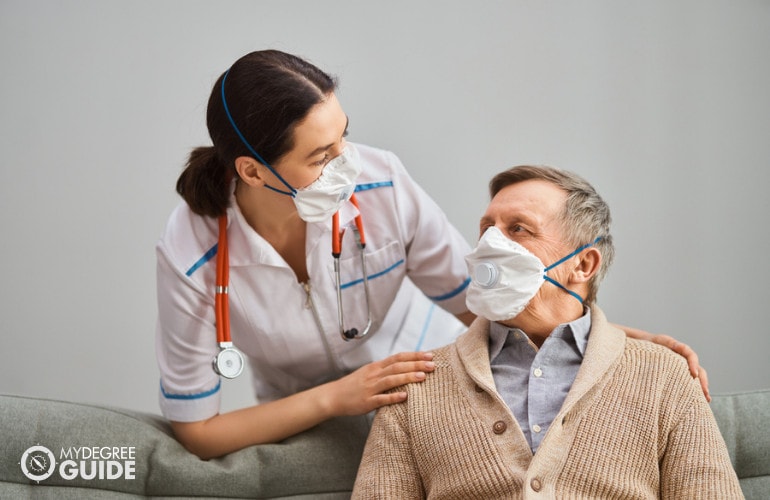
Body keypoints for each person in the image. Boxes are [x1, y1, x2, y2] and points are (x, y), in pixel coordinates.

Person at [156, 50, 706, 460]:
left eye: (344, 138)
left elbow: (487, 302)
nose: (349, 165)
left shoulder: (382, 184)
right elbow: (198, 431)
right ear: (251, 171)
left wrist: (618, 340)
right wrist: (334, 400)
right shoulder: (190, 254)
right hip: (305, 417)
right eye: (322, 156)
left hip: (438, 385)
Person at [352, 165, 741, 499]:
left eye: (518, 229)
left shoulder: (665, 378)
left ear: (584, 265)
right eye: (487, 228)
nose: (491, 243)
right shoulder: (415, 386)